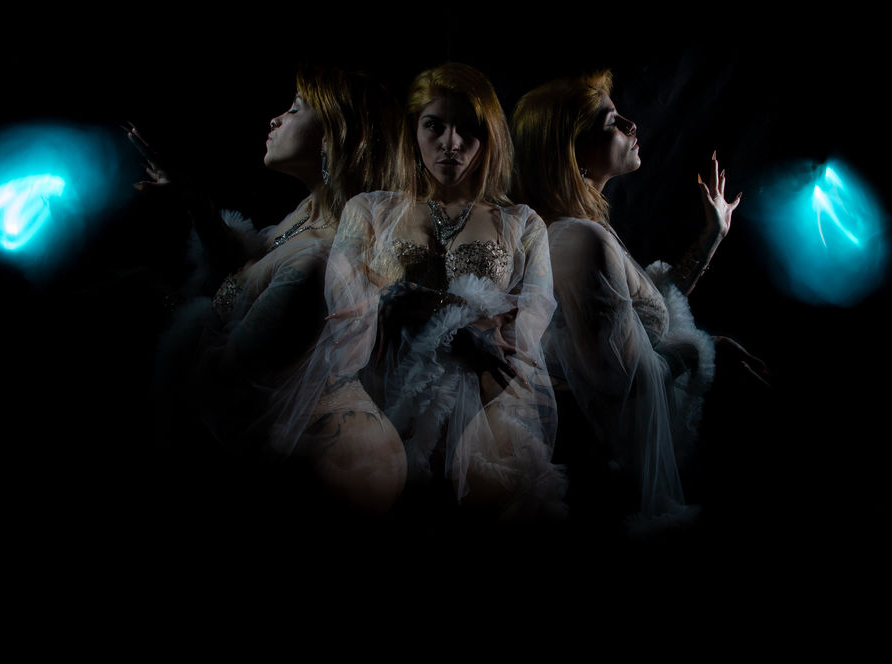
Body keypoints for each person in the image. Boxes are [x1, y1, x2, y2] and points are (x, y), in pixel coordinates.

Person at [283, 62, 567, 521]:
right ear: (413, 130)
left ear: (489, 135)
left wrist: (421, 305)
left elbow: (532, 316)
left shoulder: (522, 223)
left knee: (497, 493)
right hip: (378, 390)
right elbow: (346, 306)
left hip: (486, 394)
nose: (451, 142)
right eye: (434, 125)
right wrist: (448, 314)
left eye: (468, 128)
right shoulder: (369, 211)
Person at [127, 65, 405, 518]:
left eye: (295, 109)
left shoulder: (319, 262)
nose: (276, 119)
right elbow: (250, 274)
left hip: (332, 471)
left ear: (335, 137)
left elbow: (225, 382)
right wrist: (196, 204)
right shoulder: (310, 213)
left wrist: (156, 300)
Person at [511, 70, 744, 529]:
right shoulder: (580, 241)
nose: (631, 125)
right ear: (572, 152)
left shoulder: (578, 228)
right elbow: (627, 380)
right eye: (611, 122)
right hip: (609, 481)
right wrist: (705, 351)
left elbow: (644, 315)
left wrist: (712, 236)